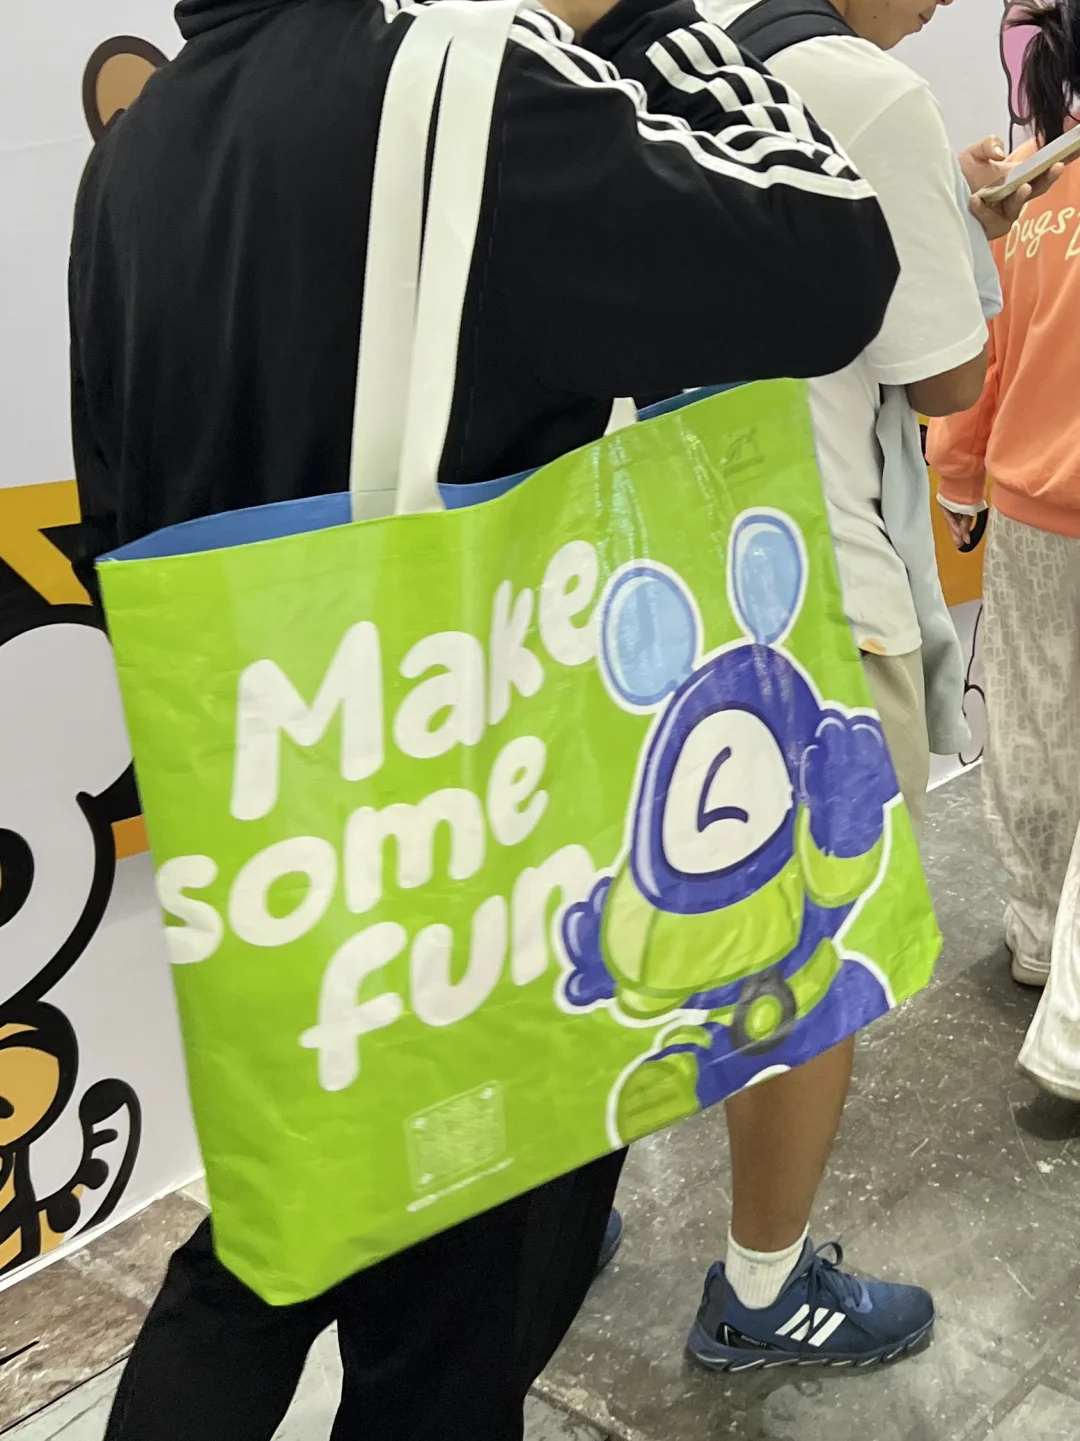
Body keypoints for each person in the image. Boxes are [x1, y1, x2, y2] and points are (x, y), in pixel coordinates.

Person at [69, 0, 899, 1435]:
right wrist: (651, 23)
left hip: (272, 822)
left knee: (267, 1246)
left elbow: (115, 513)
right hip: (470, 819)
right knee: (455, 1325)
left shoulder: (140, 150)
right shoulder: (469, 83)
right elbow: (834, 256)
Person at [584, 0, 1046, 1375]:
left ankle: (555, 1224)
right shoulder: (871, 93)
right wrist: (962, 228)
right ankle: (764, 1288)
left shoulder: (652, 61)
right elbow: (944, 372)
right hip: (810, 599)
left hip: (635, 592)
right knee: (807, 967)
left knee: (635, 932)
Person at [929, 0, 1080, 993]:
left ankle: (1040, 931)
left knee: (1034, 720)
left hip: (1034, 509)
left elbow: (978, 357)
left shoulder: (1029, 195)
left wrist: (956, 479)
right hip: (1036, 505)